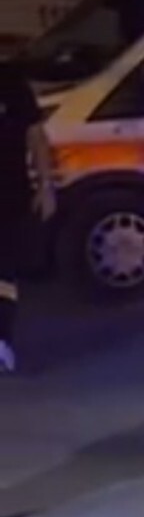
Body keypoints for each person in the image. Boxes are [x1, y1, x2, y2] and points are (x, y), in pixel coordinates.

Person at [0, 58, 56, 373]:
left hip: (8, 194)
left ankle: (1, 342)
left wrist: (45, 185)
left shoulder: (9, 80)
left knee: (4, 272)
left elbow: (35, 135)